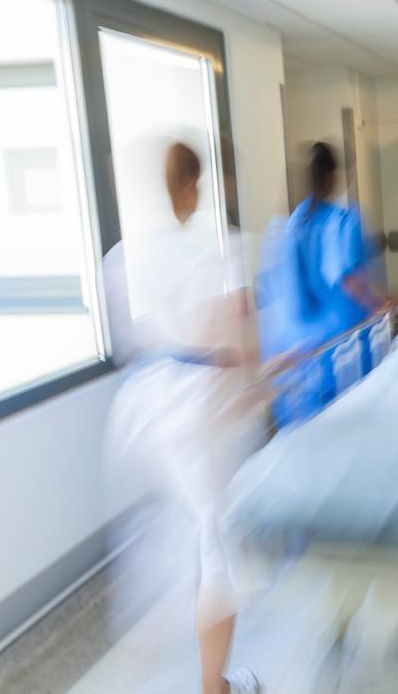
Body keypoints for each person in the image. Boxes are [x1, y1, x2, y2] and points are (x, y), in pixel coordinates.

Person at [105, 142, 263, 694]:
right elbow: (224, 345)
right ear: (192, 188)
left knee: (174, 535)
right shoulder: (206, 260)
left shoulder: (121, 258)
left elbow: (138, 340)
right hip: (191, 411)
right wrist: (253, 383)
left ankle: (155, 643)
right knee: (214, 548)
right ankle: (213, 686)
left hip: (140, 410)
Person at [260, 142, 384, 425]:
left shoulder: (288, 227)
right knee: (350, 425)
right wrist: (381, 304)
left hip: (300, 355)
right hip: (340, 349)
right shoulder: (344, 221)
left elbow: (287, 296)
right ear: (332, 177)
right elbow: (349, 281)